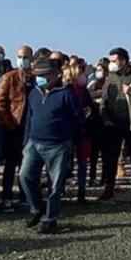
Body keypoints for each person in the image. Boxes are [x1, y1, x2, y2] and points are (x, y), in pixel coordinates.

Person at [19, 58, 82, 234]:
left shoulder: (67, 94)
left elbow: (78, 119)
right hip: (34, 142)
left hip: (58, 145)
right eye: (38, 75)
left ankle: (51, 219)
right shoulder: (33, 93)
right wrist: (26, 142)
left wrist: (71, 143)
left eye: (44, 75)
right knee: (25, 176)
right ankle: (36, 208)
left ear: (56, 75)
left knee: (55, 185)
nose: (40, 78)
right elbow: (29, 119)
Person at [99, 47, 131, 201]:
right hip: (113, 123)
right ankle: (109, 188)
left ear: (124, 60)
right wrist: (104, 117)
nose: (112, 64)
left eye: (115, 60)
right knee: (111, 157)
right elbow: (105, 99)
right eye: (111, 61)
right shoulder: (110, 78)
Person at [0, 45, 35, 212]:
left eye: (25, 57)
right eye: (20, 56)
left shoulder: (34, 78)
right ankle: (7, 197)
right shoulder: (8, 78)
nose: (22, 60)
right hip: (14, 127)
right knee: (11, 165)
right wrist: (9, 123)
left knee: (28, 165)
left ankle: (25, 195)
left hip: (31, 128)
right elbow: (0, 103)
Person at [62, 60, 98, 201]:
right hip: (69, 131)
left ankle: (81, 191)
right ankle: (62, 188)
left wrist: (89, 111)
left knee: (82, 161)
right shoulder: (66, 91)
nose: (84, 75)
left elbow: (90, 107)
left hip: (83, 130)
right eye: (81, 72)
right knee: (65, 162)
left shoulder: (83, 91)